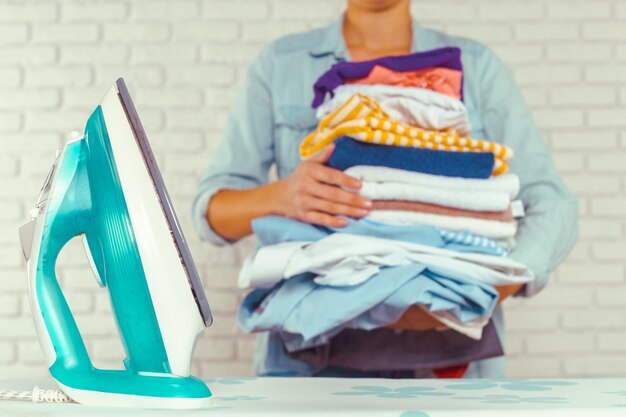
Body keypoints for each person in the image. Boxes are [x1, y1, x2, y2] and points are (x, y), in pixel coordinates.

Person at [192, 0, 579, 378]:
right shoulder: (281, 65)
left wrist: (477, 290)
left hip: (449, 371)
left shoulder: (476, 68)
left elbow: (552, 201)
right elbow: (211, 211)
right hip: (312, 372)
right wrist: (282, 196)